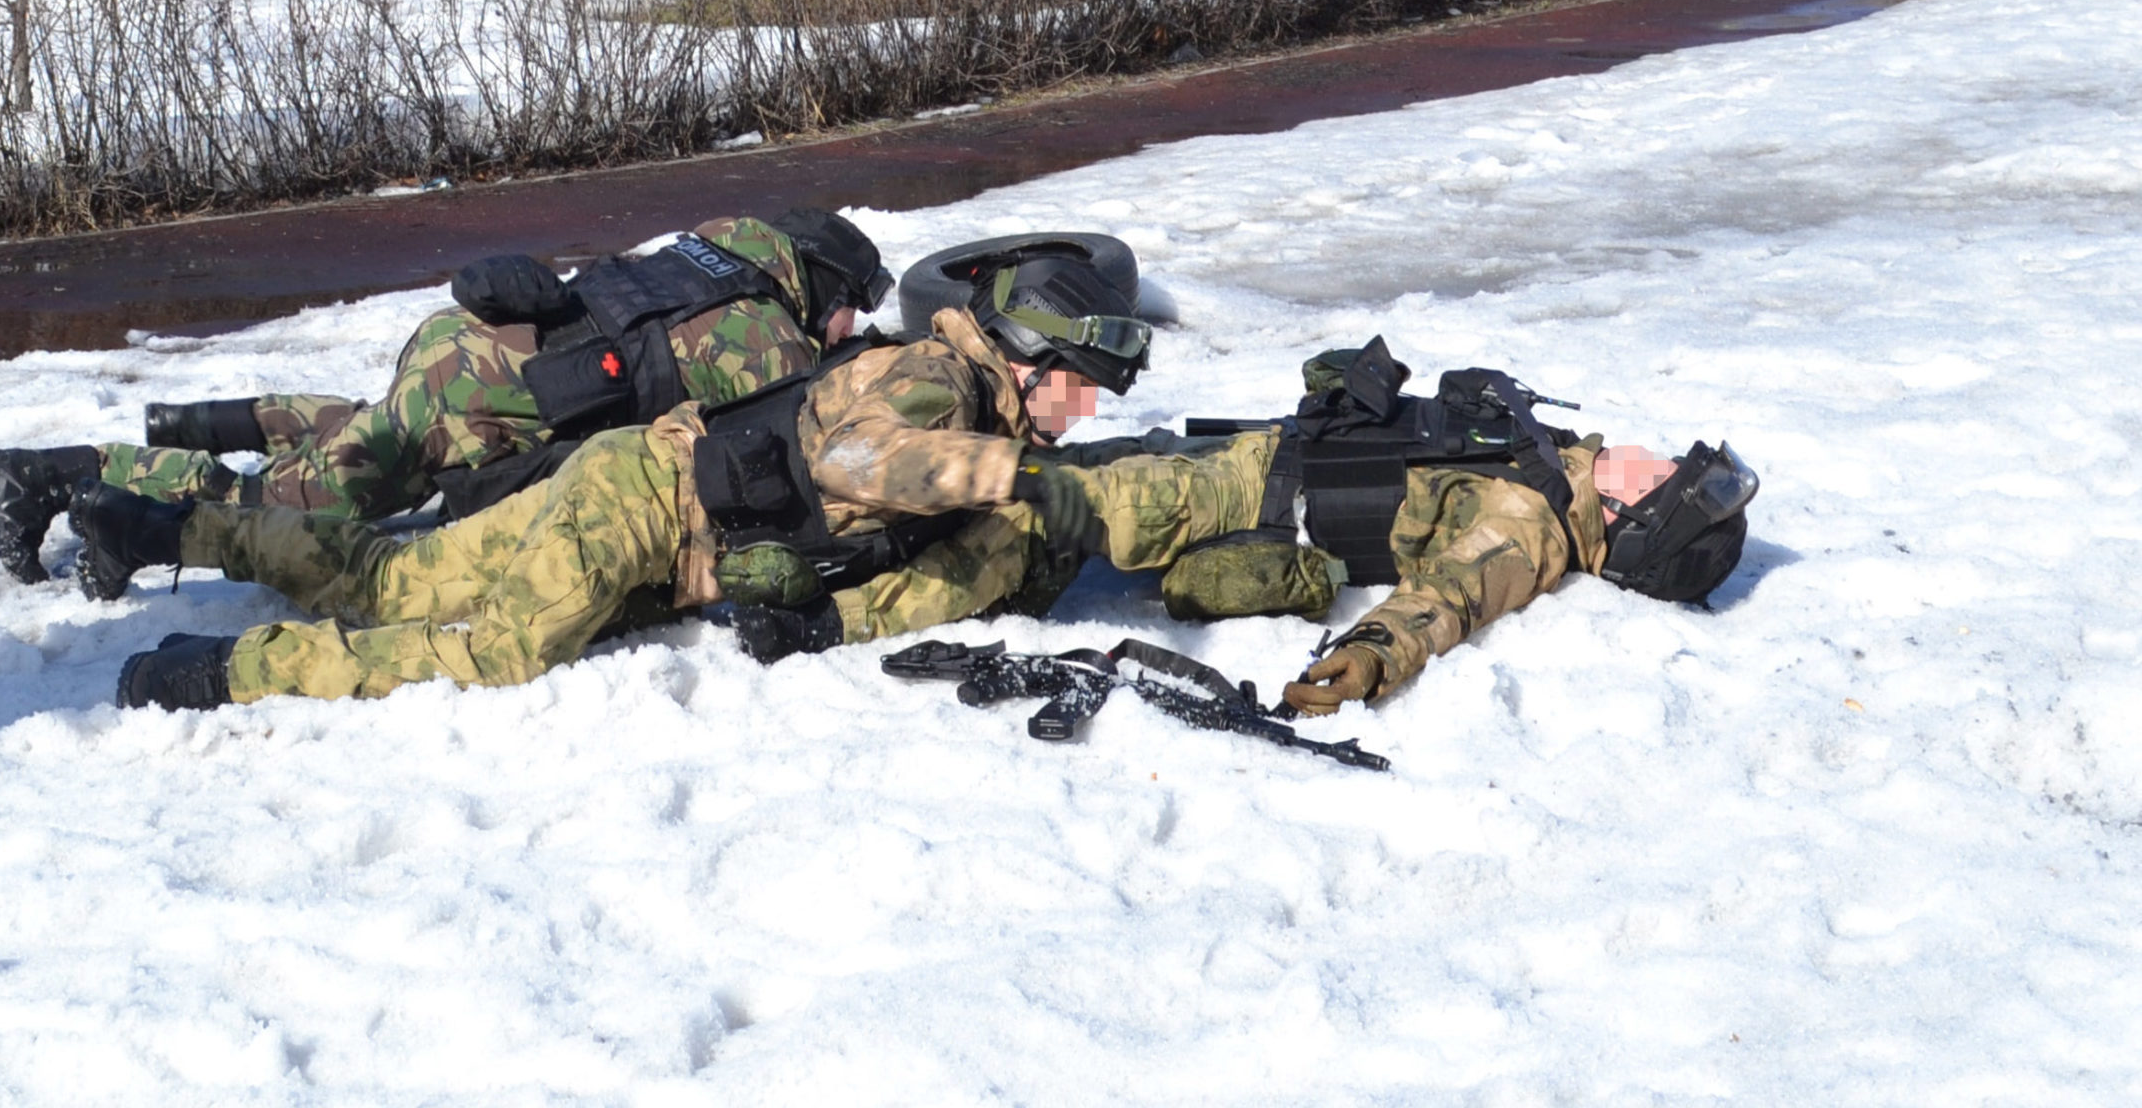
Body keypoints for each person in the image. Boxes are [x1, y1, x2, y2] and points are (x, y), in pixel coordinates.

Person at [75, 242, 1156, 708]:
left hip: (636, 485)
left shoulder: (961, 396)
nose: (1090, 409)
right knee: (502, 653)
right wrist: (1011, 477)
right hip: (642, 507)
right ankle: (221, 673)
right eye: (1080, 383)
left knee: (392, 582)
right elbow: (852, 458)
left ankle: (161, 527)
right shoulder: (932, 384)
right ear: (1026, 356)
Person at [749, 335, 1757, 715]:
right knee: (1047, 474)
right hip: (1252, 457)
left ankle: (819, 614)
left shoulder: (1532, 521)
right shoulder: (1560, 457)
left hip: (1253, 497)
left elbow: (1442, 601)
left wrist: (1367, 660)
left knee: (1036, 511)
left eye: (1665, 476)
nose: (1660, 456)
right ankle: (834, 521)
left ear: (1628, 513)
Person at [0, 210, 890, 587]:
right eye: (850, 309)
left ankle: (191, 428)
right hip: (482, 402)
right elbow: (787, 431)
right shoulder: (772, 336)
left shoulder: (719, 247)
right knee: (294, 504)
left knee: (371, 432)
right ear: (821, 285)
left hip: (470, 345)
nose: (847, 329)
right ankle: (70, 478)